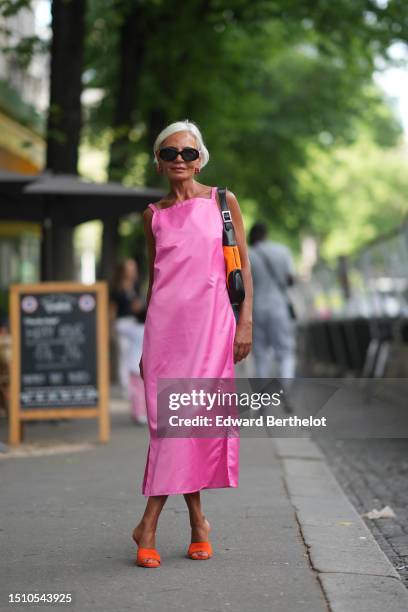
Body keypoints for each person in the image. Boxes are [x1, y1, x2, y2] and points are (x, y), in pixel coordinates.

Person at [132, 119, 253, 567]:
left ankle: (148, 524)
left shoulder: (223, 201)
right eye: (170, 153)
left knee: (189, 425)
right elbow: (154, 280)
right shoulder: (153, 215)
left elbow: (241, 268)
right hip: (164, 333)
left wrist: (245, 322)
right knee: (175, 428)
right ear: (159, 163)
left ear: (200, 157)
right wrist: (146, 347)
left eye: (187, 152)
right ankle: (198, 521)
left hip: (212, 329)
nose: (179, 160)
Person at [248, 222, 296, 380]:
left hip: (256, 309)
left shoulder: (248, 254)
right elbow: (290, 280)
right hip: (278, 307)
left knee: (260, 355)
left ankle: (263, 398)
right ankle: (285, 388)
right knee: (285, 351)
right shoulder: (282, 251)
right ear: (266, 233)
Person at [109, 259, 146, 414]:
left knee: (133, 353)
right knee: (123, 354)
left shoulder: (136, 286)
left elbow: (138, 305)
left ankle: (133, 384)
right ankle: (125, 385)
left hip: (134, 323)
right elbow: (112, 309)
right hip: (122, 323)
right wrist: (110, 327)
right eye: (129, 269)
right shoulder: (116, 289)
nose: (131, 272)